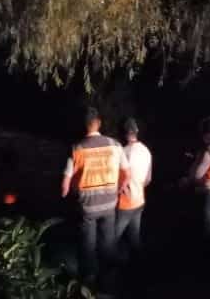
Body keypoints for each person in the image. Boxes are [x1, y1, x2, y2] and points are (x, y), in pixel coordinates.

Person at [61, 107, 130, 283]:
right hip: (109, 203)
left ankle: (89, 280)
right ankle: (108, 279)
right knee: (108, 242)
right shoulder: (115, 145)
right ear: (98, 123)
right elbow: (127, 173)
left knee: (87, 244)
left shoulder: (77, 148)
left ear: (84, 126)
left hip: (87, 206)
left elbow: (65, 183)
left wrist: (66, 194)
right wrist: (121, 187)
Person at [115, 117, 152, 256]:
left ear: (124, 133)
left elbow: (118, 179)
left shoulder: (123, 152)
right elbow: (148, 179)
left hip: (125, 202)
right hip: (139, 200)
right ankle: (139, 265)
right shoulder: (146, 151)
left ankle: (108, 269)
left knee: (112, 238)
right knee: (134, 236)